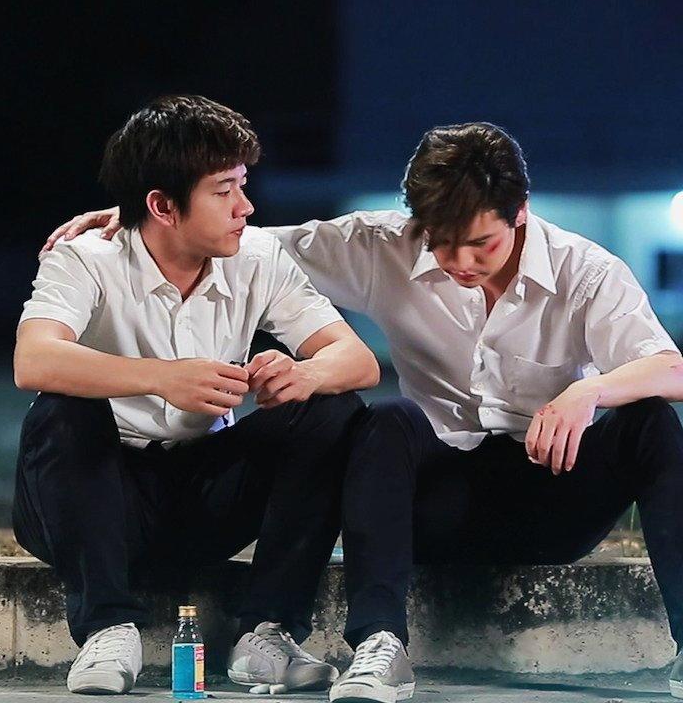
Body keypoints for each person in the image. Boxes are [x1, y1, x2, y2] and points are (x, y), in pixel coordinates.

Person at [46, 121, 683, 701]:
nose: (459, 263)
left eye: (480, 244)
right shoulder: (385, 247)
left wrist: (588, 392)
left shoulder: (584, 271)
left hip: (554, 492)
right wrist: (141, 217)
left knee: (650, 420)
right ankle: (380, 646)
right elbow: (242, 241)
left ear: (520, 213)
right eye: (441, 243)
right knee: (385, 419)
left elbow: (671, 368)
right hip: (435, 503)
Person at [13, 95, 380, 695]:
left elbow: (357, 360)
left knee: (332, 408)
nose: (245, 207)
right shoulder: (87, 257)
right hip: (95, 498)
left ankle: (267, 633)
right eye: (224, 190)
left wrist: (302, 374)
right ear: (162, 205)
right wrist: (162, 376)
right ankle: (107, 629)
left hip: (203, 493)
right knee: (62, 407)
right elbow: (34, 359)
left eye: (243, 185)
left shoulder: (257, 257)